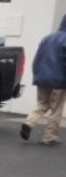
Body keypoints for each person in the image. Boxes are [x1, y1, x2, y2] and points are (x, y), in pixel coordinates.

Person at [21, 14, 66, 145]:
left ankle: (28, 123)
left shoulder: (47, 38)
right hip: (59, 80)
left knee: (42, 104)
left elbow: (37, 59)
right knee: (56, 109)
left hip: (42, 78)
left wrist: (37, 75)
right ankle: (49, 137)